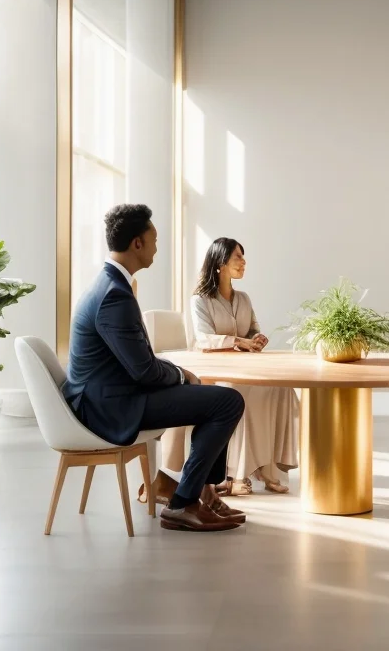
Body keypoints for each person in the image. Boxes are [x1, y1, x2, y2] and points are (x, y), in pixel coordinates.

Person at [62, 204, 246, 533]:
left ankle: (201, 494)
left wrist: (179, 374)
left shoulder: (108, 285)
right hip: (112, 407)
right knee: (227, 401)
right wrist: (178, 374)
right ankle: (182, 504)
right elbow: (143, 370)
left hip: (112, 396)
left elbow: (137, 361)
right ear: (137, 244)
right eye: (154, 240)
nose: (156, 247)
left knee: (213, 395)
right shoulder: (114, 295)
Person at [188, 238, 298, 496]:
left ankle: (268, 468)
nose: (243, 261)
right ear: (220, 263)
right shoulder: (200, 300)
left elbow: (253, 329)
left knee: (279, 388)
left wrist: (257, 339)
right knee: (240, 392)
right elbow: (202, 339)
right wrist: (239, 342)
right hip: (217, 372)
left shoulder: (244, 298)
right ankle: (237, 474)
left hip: (245, 366)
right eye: (238, 256)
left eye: (243, 256)